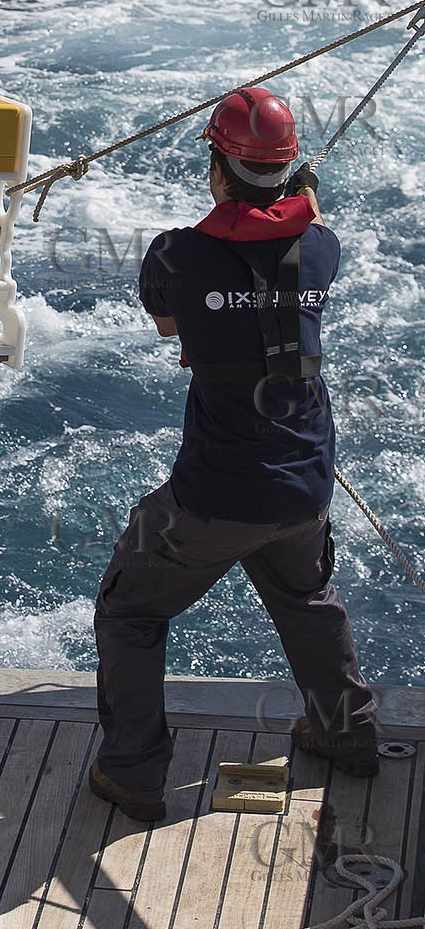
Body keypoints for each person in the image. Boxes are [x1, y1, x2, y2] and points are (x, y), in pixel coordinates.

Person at [90, 86, 377, 824]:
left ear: (218, 170)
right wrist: (301, 194)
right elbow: (300, 230)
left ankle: (132, 772)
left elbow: (168, 324)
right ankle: (346, 736)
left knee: (129, 611)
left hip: (215, 495)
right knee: (305, 600)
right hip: (304, 484)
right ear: (285, 171)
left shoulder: (176, 254)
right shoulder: (321, 248)